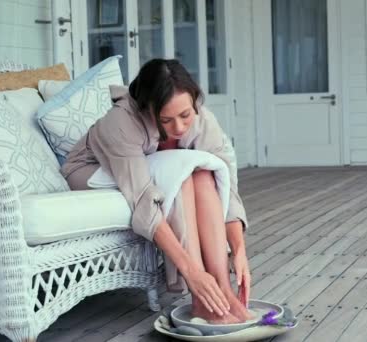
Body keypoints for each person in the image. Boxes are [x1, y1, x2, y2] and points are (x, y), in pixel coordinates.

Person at [61, 59, 251, 324]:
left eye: (185, 115)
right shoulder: (121, 122)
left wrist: (239, 248)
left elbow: (225, 179)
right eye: (166, 120)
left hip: (150, 166)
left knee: (205, 173)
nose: (180, 127)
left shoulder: (198, 114)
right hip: (92, 171)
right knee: (183, 171)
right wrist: (191, 271)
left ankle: (224, 291)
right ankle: (201, 302)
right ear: (147, 110)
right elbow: (143, 199)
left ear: (195, 99)